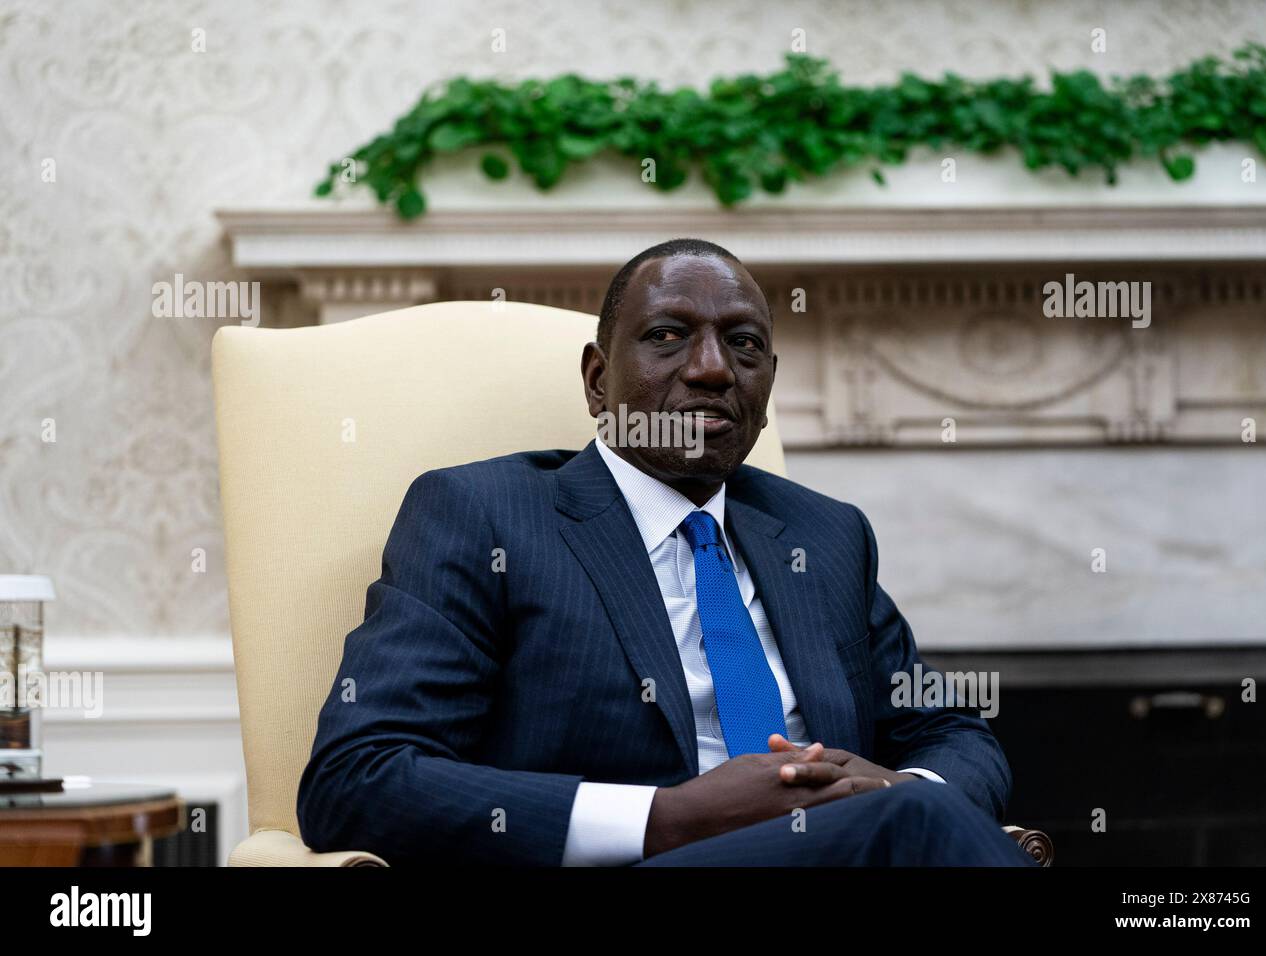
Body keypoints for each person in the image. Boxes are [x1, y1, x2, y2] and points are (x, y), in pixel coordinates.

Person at [297, 237, 1035, 867]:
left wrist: (897, 790)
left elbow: (949, 729)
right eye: (667, 336)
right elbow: (357, 779)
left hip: (850, 846)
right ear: (596, 380)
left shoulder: (823, 534)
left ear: (767, 388)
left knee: (917, 815)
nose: (713, 369)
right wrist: (669, 816)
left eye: (743, 344)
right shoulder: (484, 516)